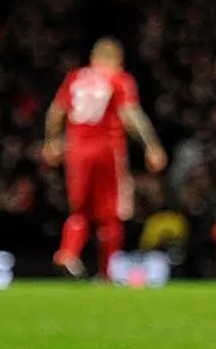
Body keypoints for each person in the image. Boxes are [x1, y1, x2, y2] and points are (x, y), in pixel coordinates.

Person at [43, 37, 169, 281]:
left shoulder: (75, 78)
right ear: (117, 60)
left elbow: (56, 111)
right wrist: (151, 145)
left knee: (80, 210)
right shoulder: (117, 79)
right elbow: (130, 114)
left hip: (76, 151)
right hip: (107, 152)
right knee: (111, 214)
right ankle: (106, 272)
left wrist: (51, 141)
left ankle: (68, 253)